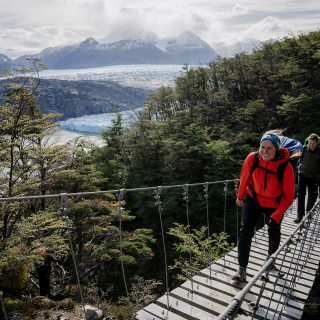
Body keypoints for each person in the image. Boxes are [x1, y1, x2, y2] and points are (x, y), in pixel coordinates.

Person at [231, 133, 295, 282]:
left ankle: (270, 262)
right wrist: (240, 196)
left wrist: (277, 215)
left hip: (274, 203)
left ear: (277, 150)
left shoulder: (285, 167)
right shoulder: (252, 158)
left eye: (269, 148)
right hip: (253, 198)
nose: (265, 152)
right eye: (262, 147)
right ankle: (241, 269)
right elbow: (244, 178)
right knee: (245, 231)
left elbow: (288, 197)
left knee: (274, 230)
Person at [295, 133, 320, 223]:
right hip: (302, 174)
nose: (311, 145)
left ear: (317, 143)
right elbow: (296, 159)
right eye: (309, 143)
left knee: (313, 196)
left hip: (314, 177)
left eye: (313, 143)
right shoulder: (304, 149)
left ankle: (308, 211)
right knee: (301, 194)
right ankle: (300, 215)